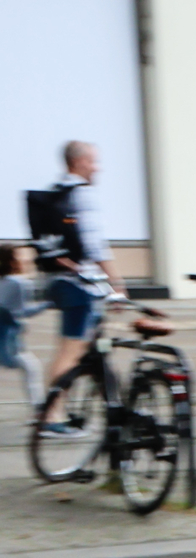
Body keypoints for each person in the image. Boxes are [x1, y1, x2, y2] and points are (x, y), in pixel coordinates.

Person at [38, 140, 123, 408]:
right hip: (79, 284)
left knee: (81, 348)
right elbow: (95, 245)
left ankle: (70, 409)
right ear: (78, 162)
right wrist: (117, 284)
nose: (97, 168)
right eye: (92, 162)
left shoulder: (57, 190)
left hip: (59, 281)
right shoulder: (82, 194)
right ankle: (50, 417)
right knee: (70, 351)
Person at [1, 244, 44, 407]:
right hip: (6, 340)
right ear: (12, 261)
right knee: (32, 368)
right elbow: (23, 311)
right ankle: (39, 411)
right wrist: (49, 303)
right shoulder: (18, 283)